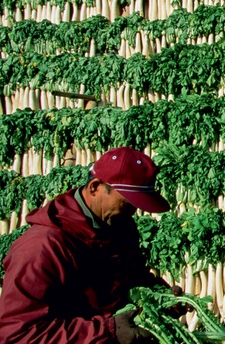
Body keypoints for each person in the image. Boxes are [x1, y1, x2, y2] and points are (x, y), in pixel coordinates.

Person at [0, 146, 177, 343]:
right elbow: (17, 334)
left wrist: (160, 295)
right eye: (127, 203)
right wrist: (108, 332)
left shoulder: (119, 228)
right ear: (95, 187)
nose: (133, 213)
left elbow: (129, 278)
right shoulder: (42, 248)